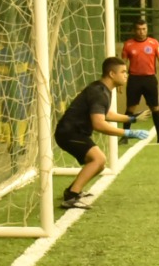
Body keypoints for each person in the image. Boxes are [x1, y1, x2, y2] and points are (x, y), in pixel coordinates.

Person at [54, 57, 150, 209]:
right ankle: (71, 197)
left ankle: (72, 191)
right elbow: (99, 124)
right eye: (123, 72)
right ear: (112, 74)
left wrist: (131, 118)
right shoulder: (99, 92)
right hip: (69, 133)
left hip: (76, 132)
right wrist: (128, 133)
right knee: (98, 160)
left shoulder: (103, 89)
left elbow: (107, 114)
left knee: (99, 164)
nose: (126, 75)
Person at [121, 18, 159, 144]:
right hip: (134, 79)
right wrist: (121, 80)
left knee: (155, 108)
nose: (141, 32)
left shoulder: (154, 43)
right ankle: (125, 136)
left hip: (150, 79)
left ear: (147, 30)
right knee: (130, 109)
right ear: (134, 30)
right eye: (139, 29)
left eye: (144, 29)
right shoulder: (128, 44)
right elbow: (123, 64)